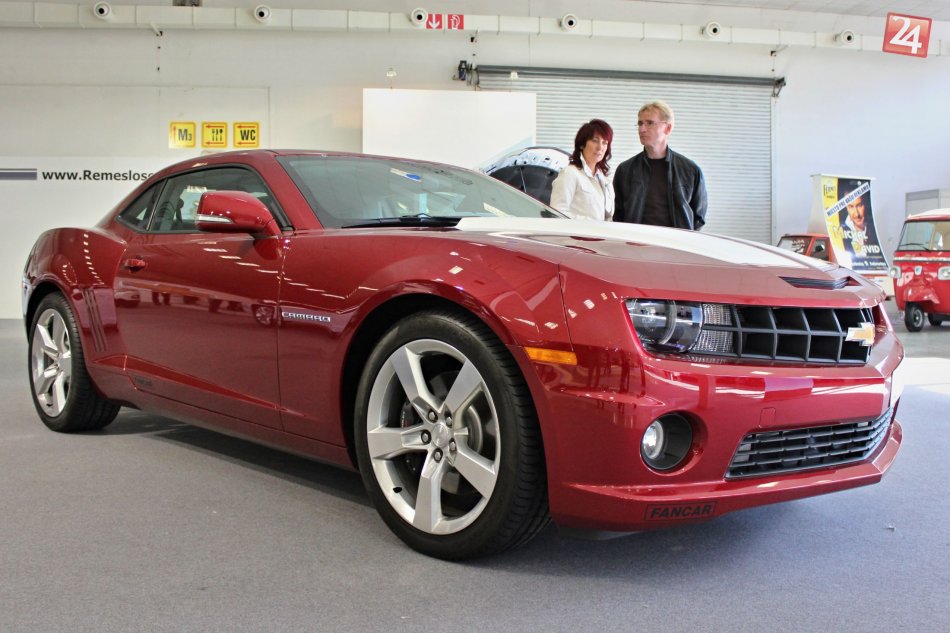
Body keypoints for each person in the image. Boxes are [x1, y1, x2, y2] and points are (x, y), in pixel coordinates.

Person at [613, 100, 707, 230]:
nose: (642, 129)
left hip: (675, 241)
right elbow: (618, 215)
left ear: (668, 128)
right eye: (640, 123)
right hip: (636, 240)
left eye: (649, 123)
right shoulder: (625, 170)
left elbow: (698, 218)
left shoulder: (690, 170)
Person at [549, 118, 615, 221]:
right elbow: (557, 213)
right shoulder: (570, 173)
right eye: (595, 141)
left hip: (600, 231)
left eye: (604, 143)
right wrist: (589, 223)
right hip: (578, 231)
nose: (600, 147)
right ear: (581, 145)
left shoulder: (604, 179)